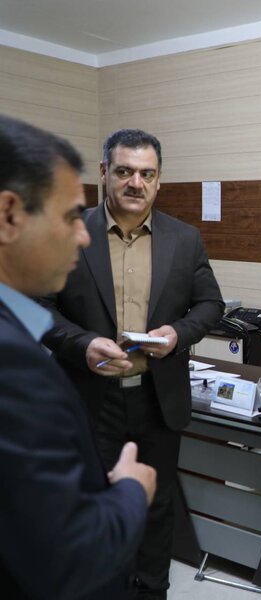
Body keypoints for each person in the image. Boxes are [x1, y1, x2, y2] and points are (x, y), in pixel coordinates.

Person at [41, 128, 224, 599]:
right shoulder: (69, 231)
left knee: (157, 507)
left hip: (156, 401)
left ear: (159, 180)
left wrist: (178, 335)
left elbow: (210, 305)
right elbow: (38, 307)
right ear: (104, 173)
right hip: (88, 400)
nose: (135, 183)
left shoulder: (184, 239)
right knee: (91, 505)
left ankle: (151, 591)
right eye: (124, 171)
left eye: (147, 174)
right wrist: (82, 344)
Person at [0, 114, 157, 598]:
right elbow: (68, 557)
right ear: (9, 215)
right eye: (70, 216)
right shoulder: (14, 363)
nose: (83, 235)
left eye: (147, 173)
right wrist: (131, 490)